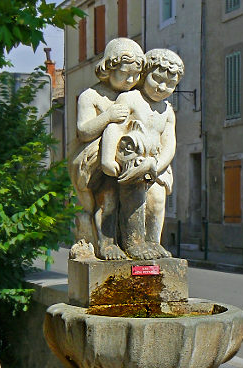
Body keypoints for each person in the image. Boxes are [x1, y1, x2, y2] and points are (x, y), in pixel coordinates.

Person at [99, 48, 184, 260]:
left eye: (170, 84)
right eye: (157, 79)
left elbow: (169, 143)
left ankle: (153, 241)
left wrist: (158, 165)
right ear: (145, 74)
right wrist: (107, 159)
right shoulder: (130, 99)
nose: (162, 87)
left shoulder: (167, 110)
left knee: (157, 200)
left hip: (156, 165)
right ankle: (133, 242)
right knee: (134, 200)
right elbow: (114, 128)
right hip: (131, 161)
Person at [68, 38, 145, 260]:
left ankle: (134, 242)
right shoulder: (91, 96)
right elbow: (83, 131)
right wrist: (108, 117)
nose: (130, 80)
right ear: (108, 68)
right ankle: (106, 244)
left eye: (135, 75)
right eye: (124, 73)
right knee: (108, 195)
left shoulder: (136, 97)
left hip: (126, 160)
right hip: (94, 160)